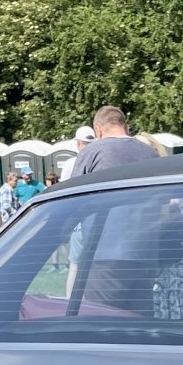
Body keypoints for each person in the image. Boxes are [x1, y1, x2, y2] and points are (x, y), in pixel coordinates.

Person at [64, 106, 161, 305]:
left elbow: (72, 200)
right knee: (141, 322)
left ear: (98, 130)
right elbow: (162, 199)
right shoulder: (150, 153)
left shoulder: (92, 152)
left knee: (104, 321)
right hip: (145, 253)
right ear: (125, 126)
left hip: (104, 253)